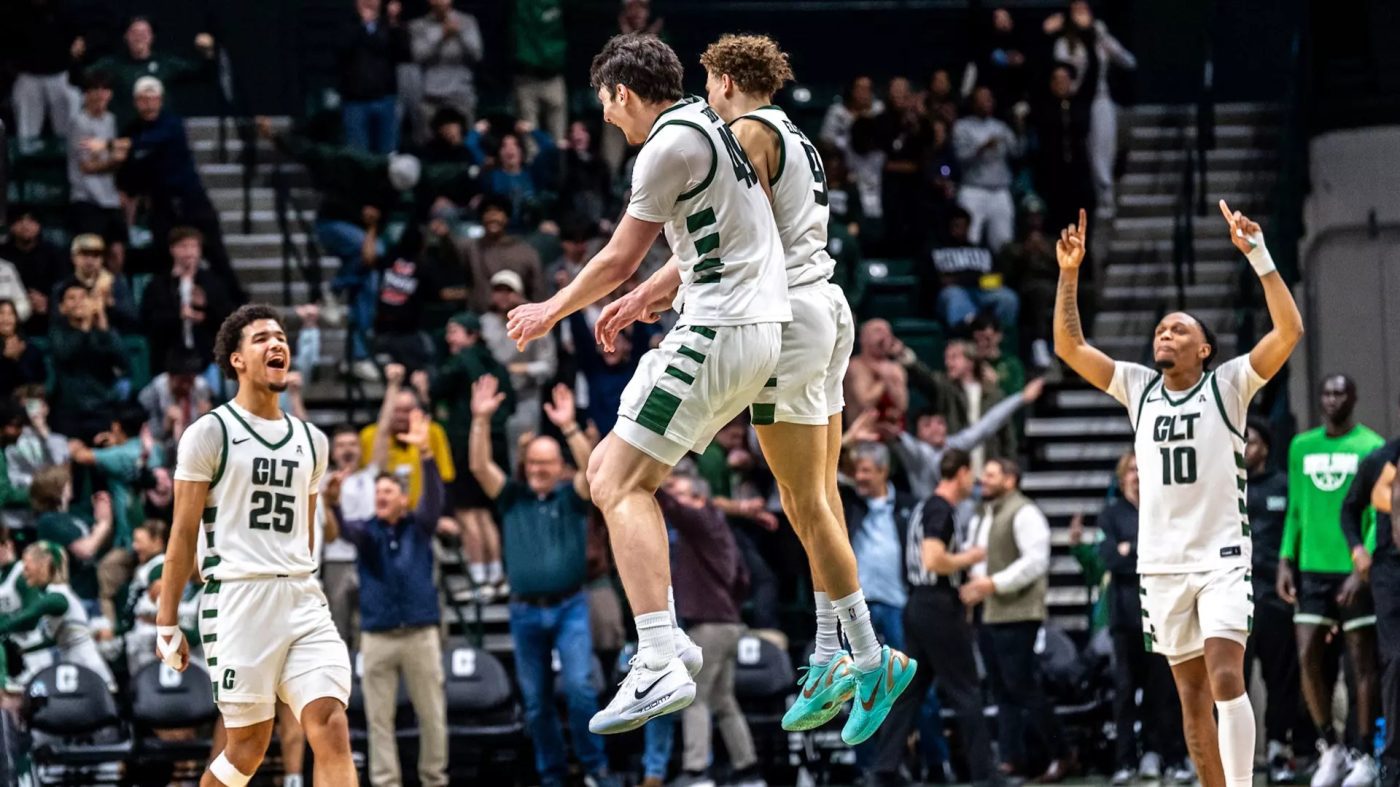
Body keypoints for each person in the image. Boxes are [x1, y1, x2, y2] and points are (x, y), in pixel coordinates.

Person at [596, 32, 917, 742]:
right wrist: (653, 292)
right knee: (820, 500)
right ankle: (832, 654)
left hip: (787, 312)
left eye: (709, 79)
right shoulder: (794, 132)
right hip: (828, 305)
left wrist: (648, 288)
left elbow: (747, 237)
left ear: (724, 78)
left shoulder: (743, 130)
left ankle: (868, 654)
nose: (705, 93)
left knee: (805, 502)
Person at [505, 33, 791, 733]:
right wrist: (657, 293)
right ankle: (666, 640)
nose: (607, 118)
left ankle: (660, 652)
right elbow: (720, 237)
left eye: (606, 103)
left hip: (720, 328)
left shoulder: (665, 144)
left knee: (616, 484)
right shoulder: (711, 128)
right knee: (605, 466)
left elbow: (615, 258)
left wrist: (551, 309)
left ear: (623, 92)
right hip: (749, 328)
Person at [1053, 202, 1304, 787]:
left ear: (1204, 349)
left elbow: (1288, 330)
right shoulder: (1138, 388)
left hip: (1221, 558)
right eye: (1161, 327)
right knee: (1192, 705)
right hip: (1162, 565)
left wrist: (1259, 256)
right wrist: (1070, 274)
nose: (1164, 333)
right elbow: (1070, 348)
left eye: (1179, 329)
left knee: (1224, 679)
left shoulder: (1230, 384)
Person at [155, 304, 354, 786]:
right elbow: (182, 533)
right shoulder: (210, 432)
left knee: (330, 723)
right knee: (247, 748)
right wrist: (167, 621)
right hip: (239, 600)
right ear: (237, 360)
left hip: (302, 598)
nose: (277, 344)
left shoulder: (312, 441)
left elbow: (306, 535)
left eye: (281, 336)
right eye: (262, 338)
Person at [467, 377, 621, 787]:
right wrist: (480, 420)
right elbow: (480, 467)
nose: (539, 469)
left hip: (570, 605)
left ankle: (594, 769)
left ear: (559, 467)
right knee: (535, 704)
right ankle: (551, 776)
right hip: (524, 611)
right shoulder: (512, 496)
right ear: (526, 465)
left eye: (546, 463)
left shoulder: (571, 498)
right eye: (533, 462)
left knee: (580, 691)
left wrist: (570, 428)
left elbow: (594, 472)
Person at [326, 410, 449, 787]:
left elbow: (433, 499)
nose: (380, 496)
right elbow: (343, 530)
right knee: (379, 719)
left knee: (433, 715)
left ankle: (434, 779)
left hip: (419, 633)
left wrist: (426, 454)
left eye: (387, 492)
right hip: (377, 635)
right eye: (377, 493)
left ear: (402, 499)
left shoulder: (420, 526)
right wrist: (331, 503)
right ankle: (385, 782)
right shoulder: (367, 533)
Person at [1278, 374, 1384, 787]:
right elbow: (1295, 511)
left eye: (1341, 391)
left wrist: (1363, 565)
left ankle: (1364, 754)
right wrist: (1286, 559)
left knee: (1361, 664)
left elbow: (1378, 514)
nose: (1332, 398)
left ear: (1354, 398)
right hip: (1311, 569)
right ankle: (1331, 747)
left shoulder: (1370, 446)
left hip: (1353, 567)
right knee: (1306, 656)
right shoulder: (1301, 446)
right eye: (1326, 392)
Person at [872, 449, 997, 787]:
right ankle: (985, 775)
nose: (973, 481)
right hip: (938, 606)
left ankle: (884, 769)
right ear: (961, 473)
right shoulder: (940, 508)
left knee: (910, 692)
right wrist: (969, 557)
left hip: (917, 605)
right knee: (966, 690)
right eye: (971, 474)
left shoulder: (925, 505)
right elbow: (933, 559)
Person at [961, 458, 1072, 782]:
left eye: (992, 475)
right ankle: (1011, 758)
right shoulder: (984, 513)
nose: (984, 479)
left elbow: (1036, 561)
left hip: (1017, 612)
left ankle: (1062, 753)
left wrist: (994, 583)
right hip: (988, 611)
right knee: (1000, 689)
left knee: (1023, 686)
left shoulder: (1025, 512)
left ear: (1011, 479)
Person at [659, 470, 763, 787]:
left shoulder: (701, 519)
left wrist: (657, 481)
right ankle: (748, 770)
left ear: (699, 499)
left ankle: (696, 773)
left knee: (695, 698)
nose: (677, 499)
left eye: (682, 493)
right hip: (728, 623)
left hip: (709, 626)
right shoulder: (720, 527)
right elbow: (744, 579)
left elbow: (670, 507)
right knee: (724, 701)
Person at [1097, 452, 1189, 785]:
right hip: (1124, 619)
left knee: (1163, 690)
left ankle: (1169, 755)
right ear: (1122, 476)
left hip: (1161, 614)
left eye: (1141, 469)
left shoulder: (1160, 510)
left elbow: (1169, 552)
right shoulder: (1110, 515)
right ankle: (1125, 760)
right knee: (1124, 692)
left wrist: (1130, 548)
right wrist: (1136, 552)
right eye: (1131, 470)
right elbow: (1109, 558)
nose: (1136, 475)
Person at [115, 77, 242, 302]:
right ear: (136, 101)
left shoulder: (172, 124)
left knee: (215, 254)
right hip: (161, 203)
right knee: (163, 257)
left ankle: (236, 304)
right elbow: (128, 170)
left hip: (190, 199)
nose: (149, 103)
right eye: (143, 99)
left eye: (153, 98)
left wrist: (112, 146)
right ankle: (170, 306)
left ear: (161, 100)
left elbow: (148, 142)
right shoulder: (131, 129)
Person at [1242, 416, 1309, 783]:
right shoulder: (1227, 488)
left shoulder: (1285, 486)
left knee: (1280, 679)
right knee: (1232, 679)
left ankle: (1279, 751)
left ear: (1265, 447)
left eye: (1249, 441)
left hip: (1275, 598)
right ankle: (1233, 755)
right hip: (1234, 597)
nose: (1242, 448)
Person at [428, 314, 513, 597]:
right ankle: (497, 576)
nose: (449, 339)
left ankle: (479, 580)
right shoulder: (498, 365)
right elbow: (510, 404)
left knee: (467, 513)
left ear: (472, 334)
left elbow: (435, 389)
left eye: (454, 332)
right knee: (486, 512)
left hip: (465, 444)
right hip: (497, 445)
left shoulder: (460, 360)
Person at [1343, 417, 1400, 787]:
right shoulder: (1382, 459)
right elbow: (1348, 509)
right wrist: (1357, 549)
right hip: (1390, 572)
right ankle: (1393, 763)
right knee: (1395, 660)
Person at [1048, 0, 1136, 218]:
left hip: (1100, 99)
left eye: (1084, 10)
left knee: (1103, 150)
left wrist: (1103, 38)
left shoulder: (1099, 39)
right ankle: (1092, 199)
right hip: (1076, 101)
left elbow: (1129, 62)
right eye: (1077, 11)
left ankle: (1106, 198)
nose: (1082, 15)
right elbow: (1063, 75)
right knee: (1084, 152)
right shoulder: (1064, 44)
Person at [893, 378, 1043, 500]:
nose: (935, 429)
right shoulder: (916, 452)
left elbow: (987, 425)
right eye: (927, 425)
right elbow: (897, 436)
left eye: (940, 423)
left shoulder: (954, 444)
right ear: (917, 433)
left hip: (960, 517)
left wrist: (1021, 398)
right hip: (928, 518)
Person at [0, 542, 114, 690]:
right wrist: (26, 651)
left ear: (43, 565)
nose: (23, 572)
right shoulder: (54, 593)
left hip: (88, 668)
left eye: (27, 566)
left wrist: (3, 626)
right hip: (74, 668)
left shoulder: (57, 597)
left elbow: (28, 617)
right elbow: (58, 639)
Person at [84, 16, 217, 129]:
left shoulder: (165, 63)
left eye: (144, 33)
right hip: (127, 133)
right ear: (126, 36)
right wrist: (78, 57)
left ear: (152, 36)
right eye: (134, 33)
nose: (139, 37)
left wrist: (208, 53)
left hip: (160, 133)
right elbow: (82, 76)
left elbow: (203, 74)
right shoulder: (114, 64)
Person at [139, 227, 236, 377]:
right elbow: (149, 321)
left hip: (206, 358)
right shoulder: (158, 285)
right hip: (168, 358)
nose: (189, 252)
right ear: (172, 249)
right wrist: (178, 315)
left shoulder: (212, 282)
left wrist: (206, 310)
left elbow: (228, 319)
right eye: (183, 246)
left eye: (193, 246)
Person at [951, 86, 1024, 252]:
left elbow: (1017, 152)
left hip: (1000, 190)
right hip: (973, 190)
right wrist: (981, 148)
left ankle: (1003, 275)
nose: (987, 103)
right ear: (973, 102)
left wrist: (1020, 130)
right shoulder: (962, 127)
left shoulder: (1001, 127)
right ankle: (969, 274)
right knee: (970, 238)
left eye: (989, 99)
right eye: (982, 99)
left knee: (1004, 240)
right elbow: (960, 157)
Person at [337, 0, 409, 154]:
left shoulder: (389, 25)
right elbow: (342, 51)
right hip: (355, 101)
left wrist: (394, 22)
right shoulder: (346, 24)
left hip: (385, 99)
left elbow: (404, 54)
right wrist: (363, 25)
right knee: (359, 156)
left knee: (388, 154)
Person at [68, 71, 129, 251]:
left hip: (110, 198)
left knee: (118, 251)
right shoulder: (79, 122)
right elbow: (87, 166)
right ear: (86, 94)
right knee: (93, 252)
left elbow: (116, 155)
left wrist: (109, 152)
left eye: (105, 89)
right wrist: (114, 159)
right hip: (86, 198)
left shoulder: (111, 120)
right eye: (95, 89)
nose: (100, 94)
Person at [408, 0, 482, 128]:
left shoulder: (467, 21)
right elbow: (418, 55)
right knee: (430, 144)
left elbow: (477, 54)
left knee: (463, 143)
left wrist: (459, 33)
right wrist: (442, 34)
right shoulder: (418, 25)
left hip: (460, 95)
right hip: (431, 97)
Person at [0, 208, 70, 335]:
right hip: (8, 323)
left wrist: (48, 303)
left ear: (39, 225)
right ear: (11, 226)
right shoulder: (2, 254)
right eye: (20, 220)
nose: (25, 225)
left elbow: (64, 287)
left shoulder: (54, 254)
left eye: (31, 220)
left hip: (47, 322)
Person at [511, 0, 567, 142]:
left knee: (558, 142)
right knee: (531, 144)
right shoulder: (520, 6)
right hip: (526, 79)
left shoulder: (559, 5)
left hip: (553, 77)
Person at [844, 319, 909, 426]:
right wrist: (883, 381)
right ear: (863, 339)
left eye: (888, 332)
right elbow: (865, 404)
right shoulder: (855, 366)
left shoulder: (895, 368)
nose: (884, 336)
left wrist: (888, 376)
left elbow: (902, 406)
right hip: (862, 435)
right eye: (878, 331)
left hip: (894, 434)